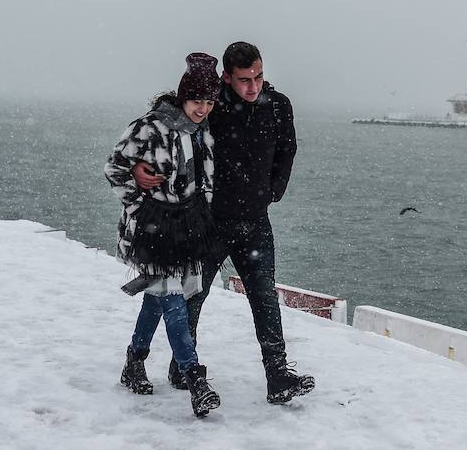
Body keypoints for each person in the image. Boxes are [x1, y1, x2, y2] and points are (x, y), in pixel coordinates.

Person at [133, 41, 314, 404]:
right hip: (210, 223)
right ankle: (182, 366)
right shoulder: (211, 108)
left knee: (265, 299)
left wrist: (273, 191)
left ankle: (278, 375)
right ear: (226, 79)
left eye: (259, 76)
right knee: (193, 298)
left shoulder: (278, 106)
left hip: (254, 221)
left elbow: (287, 149)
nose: (254, 86)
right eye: (244, 79)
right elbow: (169, 121)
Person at [105, 52, 223, 418]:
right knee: (173, 298)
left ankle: (134, 362)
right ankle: (195, 377)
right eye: (196, 101)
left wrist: (202, 209)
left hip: (186, 228)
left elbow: (205, 178)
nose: (202, 108)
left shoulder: (202, 131)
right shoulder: (149, 128)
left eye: (208, 102)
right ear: (182, 97)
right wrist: (141, 208)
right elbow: (115, 169)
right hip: (152, 230)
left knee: (158, 299)